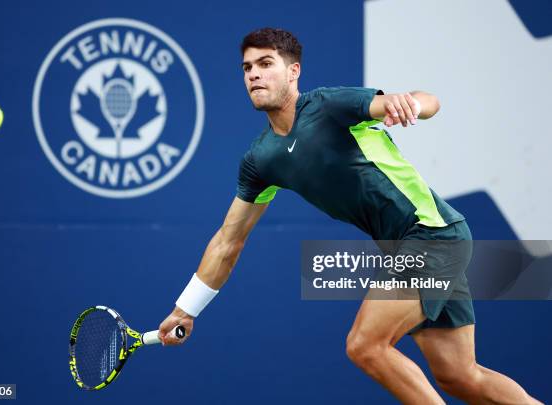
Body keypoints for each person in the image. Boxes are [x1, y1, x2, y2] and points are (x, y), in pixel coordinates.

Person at [158, 27, 541, 404]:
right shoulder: (261, 160)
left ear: (293, 72)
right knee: (460, 377)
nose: (254, 74)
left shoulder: (328, 106)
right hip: (413, 247)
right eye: (246, 68)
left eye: (265, 63)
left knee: (365, 346)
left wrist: (412, 105)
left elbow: (428, 100)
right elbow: (229, 240)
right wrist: (185, 309)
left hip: (432, 235)